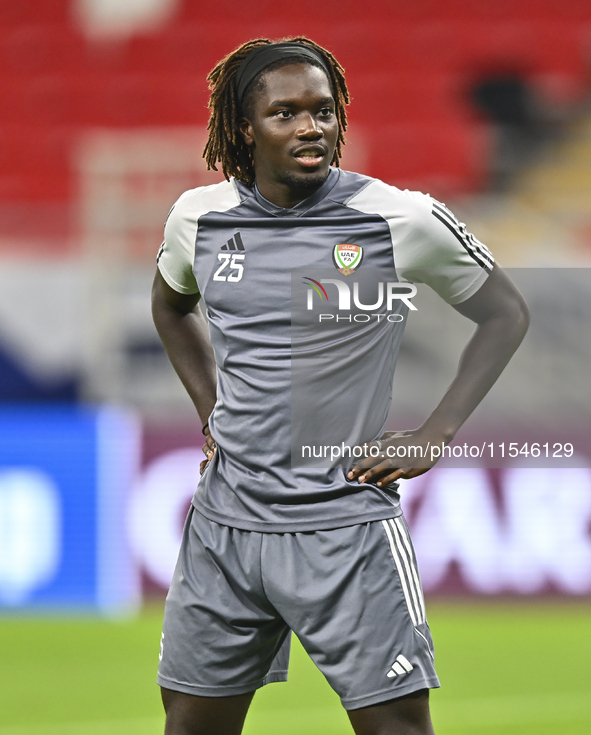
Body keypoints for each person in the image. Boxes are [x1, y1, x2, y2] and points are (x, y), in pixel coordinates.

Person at [151, 37, 529, 735]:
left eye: (322, 112)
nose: (309, 128)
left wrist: (433, 435)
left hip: (345, 526)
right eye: (285, 113)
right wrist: (213, 413)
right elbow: (170, 307)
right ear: (243, 126)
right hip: (224, 528)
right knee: (190, 727)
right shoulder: (197, 220)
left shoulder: (399, 219)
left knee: (396, 728)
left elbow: (503, 312)